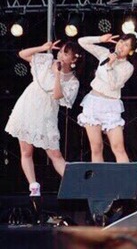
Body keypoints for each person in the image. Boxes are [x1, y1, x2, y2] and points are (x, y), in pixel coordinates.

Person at [5, 40, 81, 196]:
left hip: (47, 114)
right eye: (61, 51)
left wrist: (58, 74)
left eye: (66, 54)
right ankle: (33, 186)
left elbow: (57, 95)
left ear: (74, 59)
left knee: (55, 154)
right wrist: (43, 48)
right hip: (28, 106)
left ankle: (76, 185)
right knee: (26, 151)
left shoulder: (73, 81)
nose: (61, 55)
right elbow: (22, 54)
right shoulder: (46, 61)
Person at [78, 32, 137, 163]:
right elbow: (81, 41)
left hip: (111, 106)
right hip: (93, 102)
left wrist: (110, 66)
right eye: (121, 41)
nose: (121, 46)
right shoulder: (104, 53)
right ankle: (98, 176)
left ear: (130, 51)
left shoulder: (128, 67)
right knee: (96, 147)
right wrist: (100, 39)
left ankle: (125, 176)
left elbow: (114, 85)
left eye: (126, 45)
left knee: (118, 148)